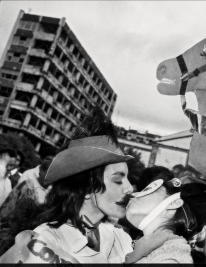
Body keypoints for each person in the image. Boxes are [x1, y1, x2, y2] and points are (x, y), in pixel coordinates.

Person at [0, 105, 134, 264]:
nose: (129, 188)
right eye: (118, 180)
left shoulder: (121, 238)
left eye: (127, 178)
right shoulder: (46, 239)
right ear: (88, 187)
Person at [124, 166, 206, 264]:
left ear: (173, 203)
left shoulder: (169, 260)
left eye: (149, 189)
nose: (135, 194)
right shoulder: (150, 251)